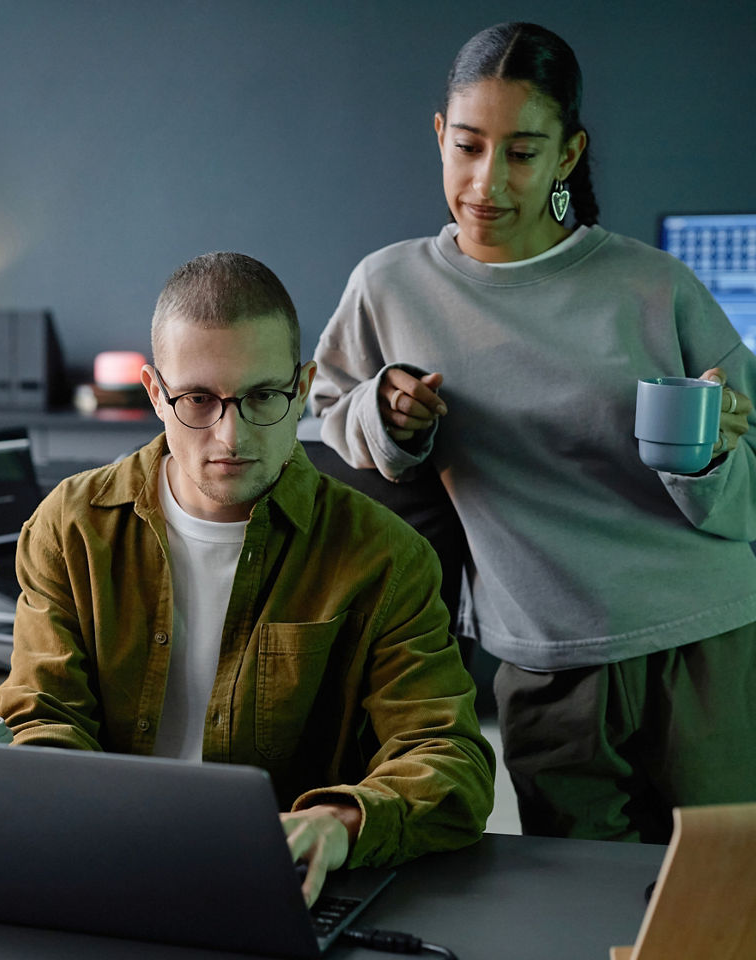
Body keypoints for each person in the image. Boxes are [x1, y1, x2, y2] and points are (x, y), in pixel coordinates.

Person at [310, 22, 756, 843]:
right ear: (441, 136)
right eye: (470, 147)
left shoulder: (655, 285)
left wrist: (716, 452)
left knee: (718, 905)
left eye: (522, 153)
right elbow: (334, 413)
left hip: (708, 643)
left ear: (568, 154)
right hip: (544, 657)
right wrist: (388, 412)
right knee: (578, 907)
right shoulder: (390, 284)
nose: (488, 183)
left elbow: (749, 492)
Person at [0, 251, 494, 906]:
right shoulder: (72, 526)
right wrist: (83, 822)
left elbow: (448, 757)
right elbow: (41, 716)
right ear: (155, 395)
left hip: (281, 891)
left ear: (304, 386)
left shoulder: (384, 556)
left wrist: (337, 824)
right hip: (103, 869)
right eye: (199, 399)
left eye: (261, 396)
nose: (230, 437)